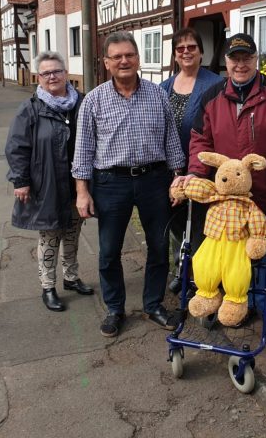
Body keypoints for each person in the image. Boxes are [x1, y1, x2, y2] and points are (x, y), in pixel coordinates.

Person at [172, 33, 266, 334]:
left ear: (256, 59)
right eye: (234, 59)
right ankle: (236, 302)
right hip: (225, 198)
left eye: (246, 58)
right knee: (229, 255)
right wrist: (195, 174)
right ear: (226, 62)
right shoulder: (212, 96)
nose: (240, 64)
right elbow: (200, 142)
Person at [72, 31, 186, 338]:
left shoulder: (158, 95)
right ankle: (114, 309)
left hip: (154, 180)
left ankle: (153, 304)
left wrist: (177, 178)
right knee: (109, 250)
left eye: (129, 55)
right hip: (111, 183)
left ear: (138, 58)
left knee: (159, 246)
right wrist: (82, 192)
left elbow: (171, 141)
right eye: (117, 56)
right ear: (106, 62)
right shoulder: (93, 100)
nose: (124, 61)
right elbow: (83, 150)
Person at [5, 51, 94, 312]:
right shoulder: (30, 108)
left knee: (73, 233)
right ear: (38, 78)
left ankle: (71, 277)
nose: (52, 76)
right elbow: (16, 147)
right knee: (50, 236)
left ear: (66, 74)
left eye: (56, 71)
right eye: (46, 73)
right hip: (47, 185)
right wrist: (20, 181)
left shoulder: (82, 103)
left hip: (78, 184)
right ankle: (48, 286)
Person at [160, 28, 222, 292]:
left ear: (201, 52)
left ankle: (202, 276)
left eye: (191, 47)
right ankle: (181, 269)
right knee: (175, 221)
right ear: (175, 54)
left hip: (203, 167)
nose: (186, 52)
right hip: (171, 168)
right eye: (180, 48)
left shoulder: (216, 84)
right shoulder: (164, 87)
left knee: (200, 222)